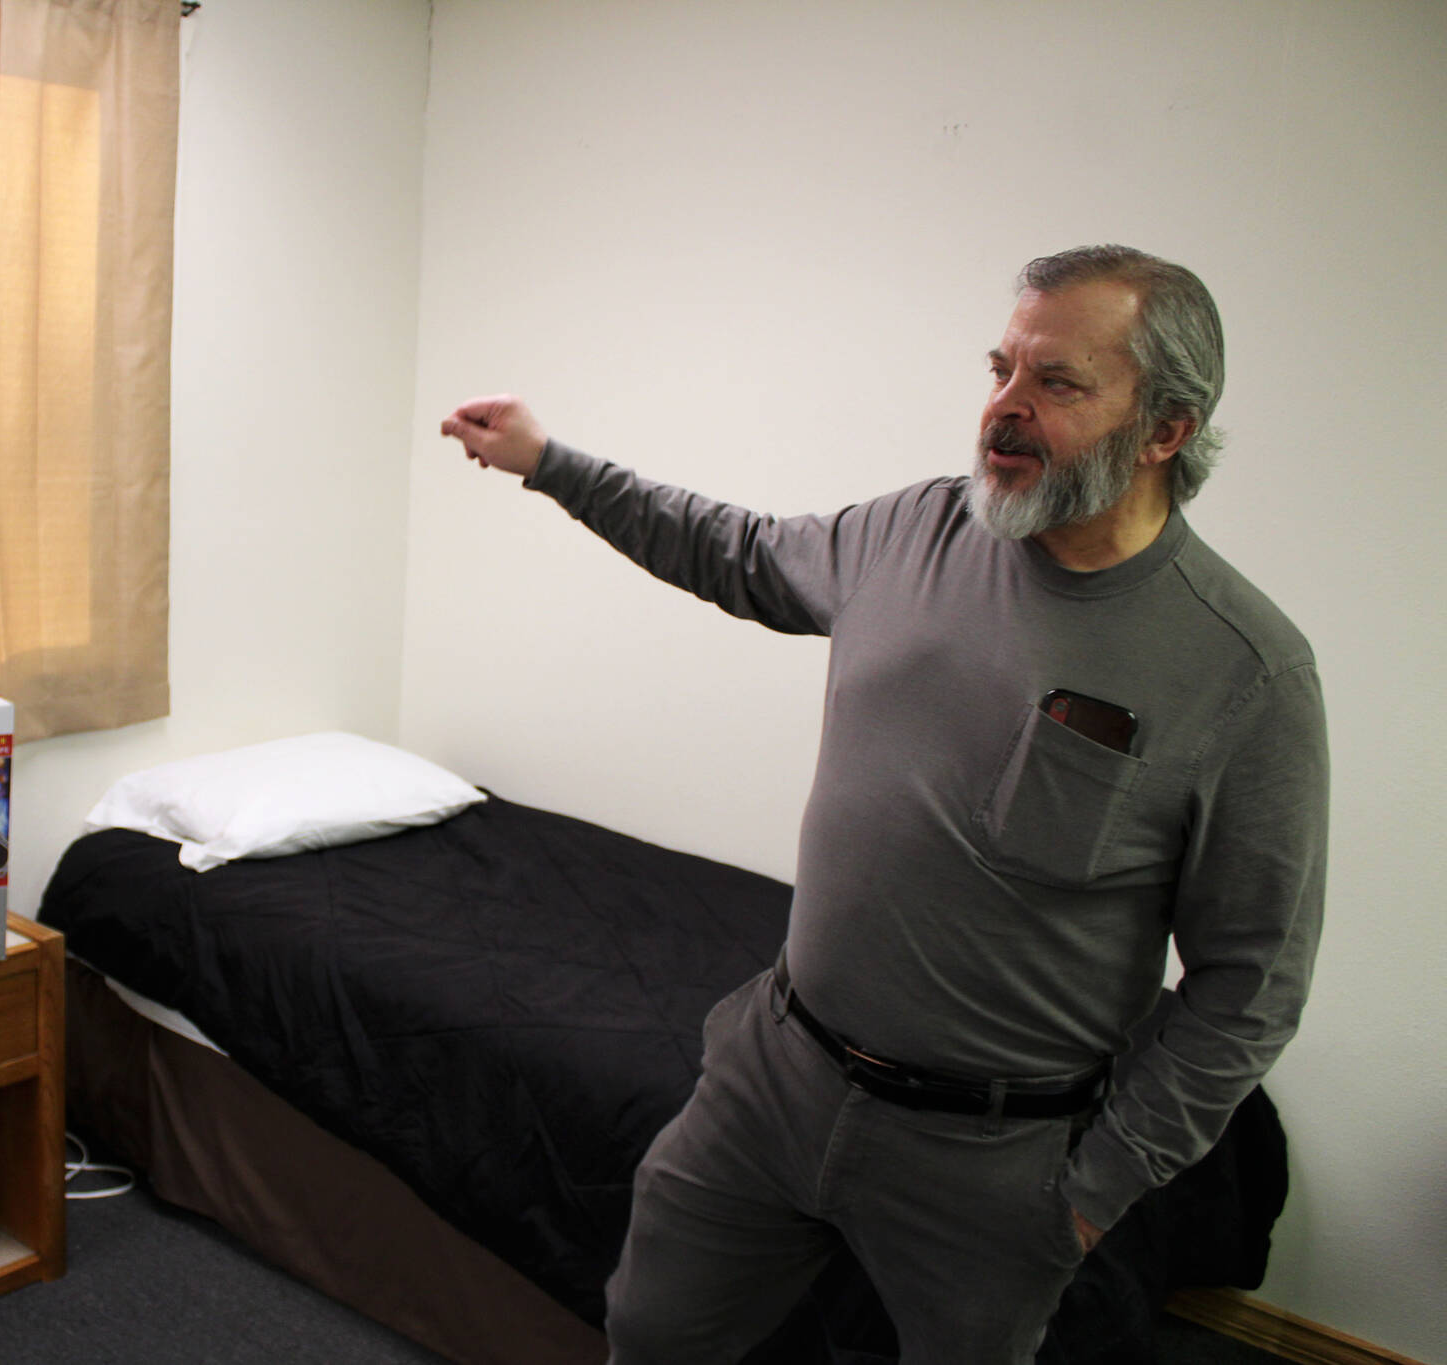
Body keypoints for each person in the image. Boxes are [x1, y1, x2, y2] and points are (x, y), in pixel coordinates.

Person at [439, 245, 1327, 1365]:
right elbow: (740, 552)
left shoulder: (1242, 670)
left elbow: (1251, 985)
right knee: (651, 1336)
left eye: (1056, 383)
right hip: (773, 1077)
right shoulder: (915, 531)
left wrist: (1094, 1187)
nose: (1002, 410)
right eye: (1000, 369)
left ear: (1164, 430)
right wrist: (549, 463)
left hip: (991, 1155)